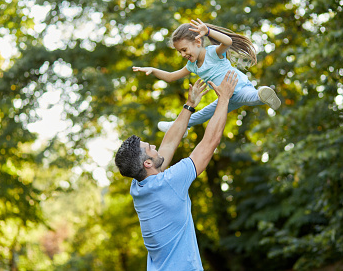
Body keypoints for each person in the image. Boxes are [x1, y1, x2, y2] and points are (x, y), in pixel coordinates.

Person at [115, 71, 238, 271]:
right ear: (147, 163)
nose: (155, 147)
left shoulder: (138, 186)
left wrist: (189, 105)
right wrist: (223, 99)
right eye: (150, 148)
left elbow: (169, 143)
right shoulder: (169, 183)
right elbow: (209, 143)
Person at [133, 18, 281, 137]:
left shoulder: (213, 53)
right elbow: (171, 77)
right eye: (180, 52)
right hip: (224, 98)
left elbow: (228, 42)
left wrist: (208, 31)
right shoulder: (192, 66)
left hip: (238, 87)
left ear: (198, 42)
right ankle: (178, 126)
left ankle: (263, 94)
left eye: (184, 50)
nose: (183, 54)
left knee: (250, 97)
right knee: (202, 115)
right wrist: (153, 70)